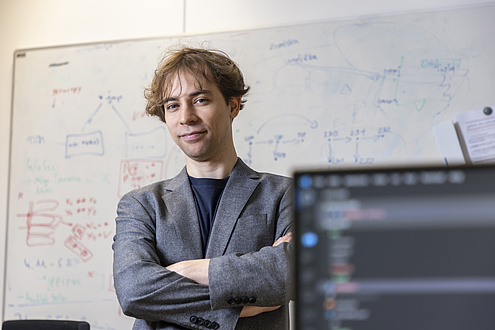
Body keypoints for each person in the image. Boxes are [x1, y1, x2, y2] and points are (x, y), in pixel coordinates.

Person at [112, 46, 294, 330]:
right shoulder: (141, 204)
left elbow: (292, 273)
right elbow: (135, 291)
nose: (186, 117)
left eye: (199, 100)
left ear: (232, 105)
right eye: (173, 105)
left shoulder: (284, 194)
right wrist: (237, 310)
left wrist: (193, 270)